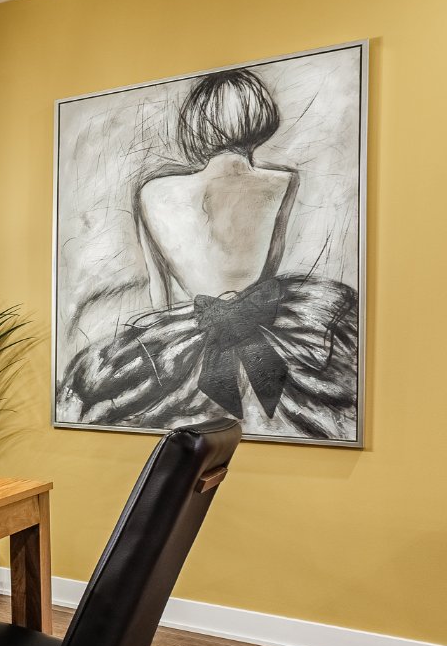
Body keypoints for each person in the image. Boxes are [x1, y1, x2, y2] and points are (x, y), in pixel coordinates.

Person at [59, 68, 358, 439]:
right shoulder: (283, 181)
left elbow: (160, 293)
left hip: (188, 329)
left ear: (196, 123)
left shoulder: (152, 191)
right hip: (264, 323)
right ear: (260, 115)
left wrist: (170, 347)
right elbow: (270, 267)